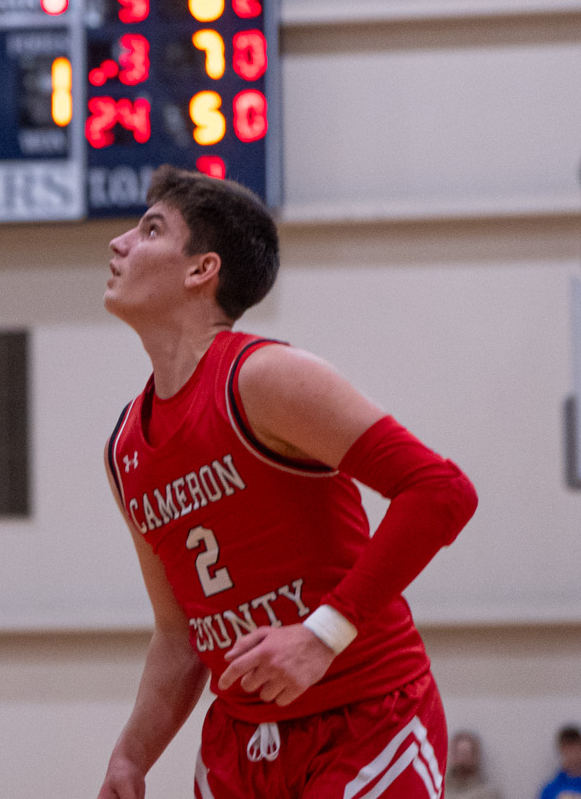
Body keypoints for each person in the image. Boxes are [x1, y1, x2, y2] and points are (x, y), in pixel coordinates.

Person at [94, 168, 479, 799]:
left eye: (151, 229)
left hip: (365, 722)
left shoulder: (262, 378)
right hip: (239, 745)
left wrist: (321, 635)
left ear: (201, 270)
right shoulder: (125, 447)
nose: (120, 244)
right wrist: (131, 756)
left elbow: (440, 491)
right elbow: (181, 635)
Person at [443, 729, 500, 799]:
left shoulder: (488, 793)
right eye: (459, 753)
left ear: (475, 756)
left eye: (466, 753)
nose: (462, 759)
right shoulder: (439, 791)